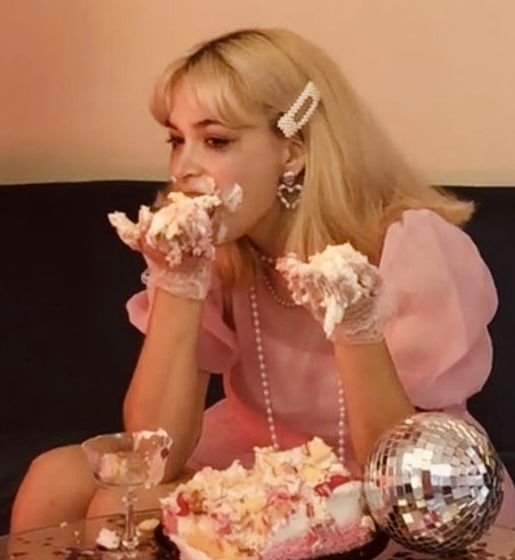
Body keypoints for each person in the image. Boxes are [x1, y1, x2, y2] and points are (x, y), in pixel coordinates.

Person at [11, 27, 514, 533]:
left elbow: (398, 470)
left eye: (215, 141)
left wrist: (356, 323)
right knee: (56, 478)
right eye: (175, 139)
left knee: (112, 513)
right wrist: (181, 282)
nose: (184, 168)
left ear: (292, 152)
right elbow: (153, 456)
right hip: (254, 460)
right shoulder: (220, 254)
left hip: (396, 483)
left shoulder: (409, 244)